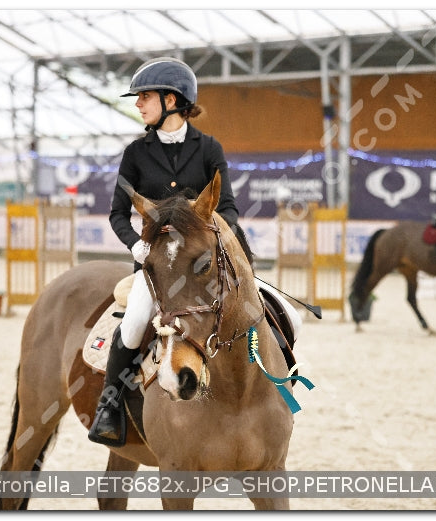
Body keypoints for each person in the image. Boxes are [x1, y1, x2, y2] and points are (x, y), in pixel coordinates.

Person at [88, 57, 301, 447]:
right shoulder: (136, 153)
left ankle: (280, 387)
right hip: (160, 264)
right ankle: (110, 405)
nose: (139, 104)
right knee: (135, 321)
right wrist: (135, 244)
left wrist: (220, 237)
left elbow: (230, 207)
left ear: (172, 100)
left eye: (145, 97)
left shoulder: (209, 148)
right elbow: (118, 213)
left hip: (207, 260)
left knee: (287, 316)